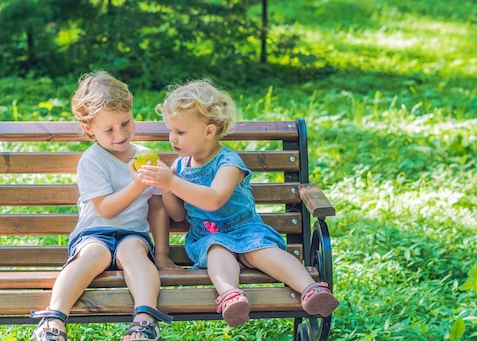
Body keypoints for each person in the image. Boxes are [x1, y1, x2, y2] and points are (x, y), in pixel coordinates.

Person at [138, 79, 339, 327]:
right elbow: (178, 215)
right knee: (217, 252)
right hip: (208, 236)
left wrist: (172, 183)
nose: (172, 139)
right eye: (170, 131)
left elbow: (214, 200)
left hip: (245, 229)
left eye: (180, 132)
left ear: (209, 131)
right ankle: (231, 296)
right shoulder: (180, 166)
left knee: (262, 252)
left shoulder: (228, 162)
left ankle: (311, 289)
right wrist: (166, 189)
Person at [30, 71, 177, 341]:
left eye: (125, 123)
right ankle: (53, 320)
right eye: (109, 129)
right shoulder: (93, 160)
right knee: (93, 255)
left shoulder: (146, 155)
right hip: (93, 233)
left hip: (133, 234)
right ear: (89, 128)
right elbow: (106, 208)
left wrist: (161, 253)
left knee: (135, 251)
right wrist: (138, 183)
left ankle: (145, 318)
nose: (120, 134)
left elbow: (160, 209)